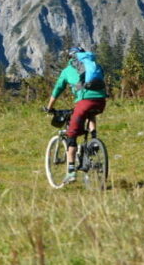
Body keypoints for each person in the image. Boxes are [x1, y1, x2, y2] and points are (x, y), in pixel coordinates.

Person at [45, 46, 107, 184]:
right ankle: (94, 140)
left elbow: (57, 90)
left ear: (70, 58)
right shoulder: (94, 65)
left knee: (71, 135)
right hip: (101, 101)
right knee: (91, 113)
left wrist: (49, 108)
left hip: (84, 102)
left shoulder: (67, 70)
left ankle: (71, 172)